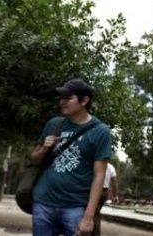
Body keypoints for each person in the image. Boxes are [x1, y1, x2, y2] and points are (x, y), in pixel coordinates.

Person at [30, 78, 112, 236]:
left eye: (68, 98)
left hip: (75, 207)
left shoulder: (100, 131)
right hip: (43, 203)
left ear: (84, 100)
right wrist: (44, 149)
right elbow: (34, 159)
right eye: (61, 98)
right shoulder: (54, 124)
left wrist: (88, 217)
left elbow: (99, 176)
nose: (62, 102)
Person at [93, 162, 119, 236]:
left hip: (96, 190)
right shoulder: (111, 167)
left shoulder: (96, 164)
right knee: (95, 212)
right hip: (105, 192)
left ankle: (95, 233)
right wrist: (115, 195)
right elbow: (114, 181)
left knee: (95, 214)